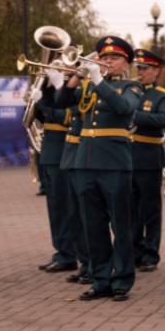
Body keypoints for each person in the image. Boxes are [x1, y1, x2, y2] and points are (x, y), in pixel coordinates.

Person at [54, 35, 143, 302]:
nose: (107, 61)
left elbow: (123, 107)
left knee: (120, 224)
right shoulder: (89, 88)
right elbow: (60, 103)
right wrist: (74, 77)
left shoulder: (132, 87)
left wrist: (98, 79)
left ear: (125, 63)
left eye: (114, 58)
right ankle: (100, 278)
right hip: (86, 162)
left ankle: (122, 280)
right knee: (93, 225)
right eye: (103, 57)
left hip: (114, 164)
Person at [42, 63, 91, 285]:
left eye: (67, 61)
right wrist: (45, 90)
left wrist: (60, 87)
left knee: (77, 213)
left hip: (70, 149)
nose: (62, 65)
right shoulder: (65, 86)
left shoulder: (82, 85)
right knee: (61, 209)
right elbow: (40, 112)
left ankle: (78, 258)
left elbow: (67, 115)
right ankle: (73, 257)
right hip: (57, 152)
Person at [130, 49, 165, 272]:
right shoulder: (129, 90)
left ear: (156, 71)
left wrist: (133, 115)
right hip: (128, 158)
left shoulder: (162, 95)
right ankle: (135, 251)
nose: (141, 72)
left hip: (148, 158)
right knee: (130, 210)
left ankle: (151, 254)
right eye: (139, 68)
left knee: (150, 210)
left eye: (145, 69)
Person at [31, 68, 77, 274]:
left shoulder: (74, 86)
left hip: (63, 149)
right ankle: (61, 251)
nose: (57, 63)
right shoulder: (52, 85)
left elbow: (66, 117)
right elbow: (41, 116)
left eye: (62, 58)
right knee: (55, 207)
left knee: (64, 206)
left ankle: (69, 254)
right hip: (49, 149)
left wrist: (41, 102)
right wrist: (34, 101)